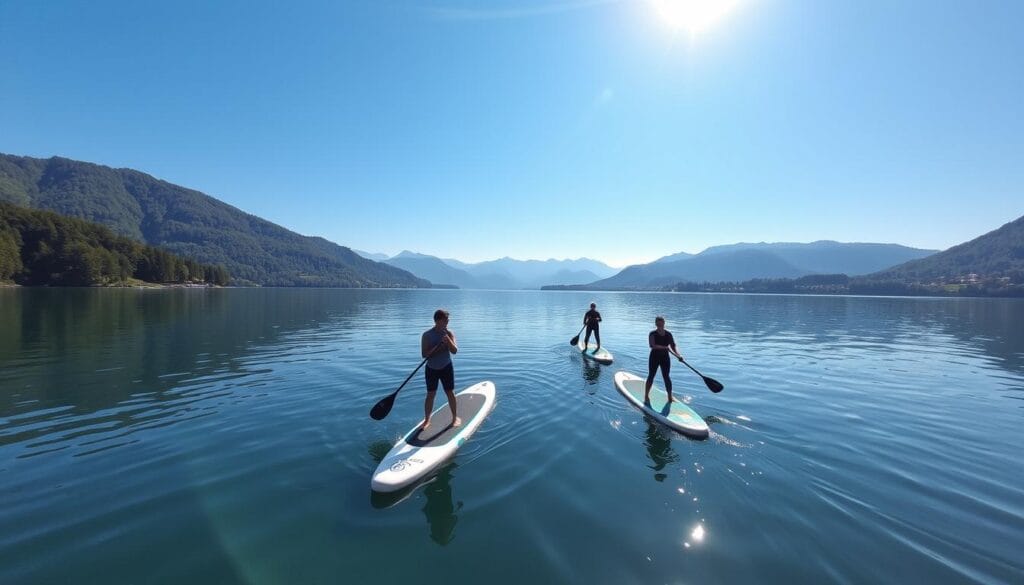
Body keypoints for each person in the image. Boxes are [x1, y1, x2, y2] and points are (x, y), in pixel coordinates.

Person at [422, 309, 459, 429]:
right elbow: (424, 354)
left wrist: (448, 341)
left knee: (450, 392)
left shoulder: (449, 333)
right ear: (438, 321)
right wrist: (438, 348)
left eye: (448, 320)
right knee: (430, 394)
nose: (448, 322)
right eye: (445, 320)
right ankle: (427, 420)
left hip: (446, 367)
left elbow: (454, 351)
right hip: (431, 369)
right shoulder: (427, 335)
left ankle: (454, 418)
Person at [645, 316, 683, 404]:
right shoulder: (652, 334)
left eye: (661, 323)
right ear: (656, 324)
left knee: (666, 377)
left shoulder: (668, 334)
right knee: (651, 375)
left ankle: (670, 397)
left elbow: (673, 345)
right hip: (654, 357)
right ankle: (646, 395)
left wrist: (678, 355)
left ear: (664, 323)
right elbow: (652, 345)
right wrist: (665, 347)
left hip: (665, 358)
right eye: (658, 323)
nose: (659, 325)